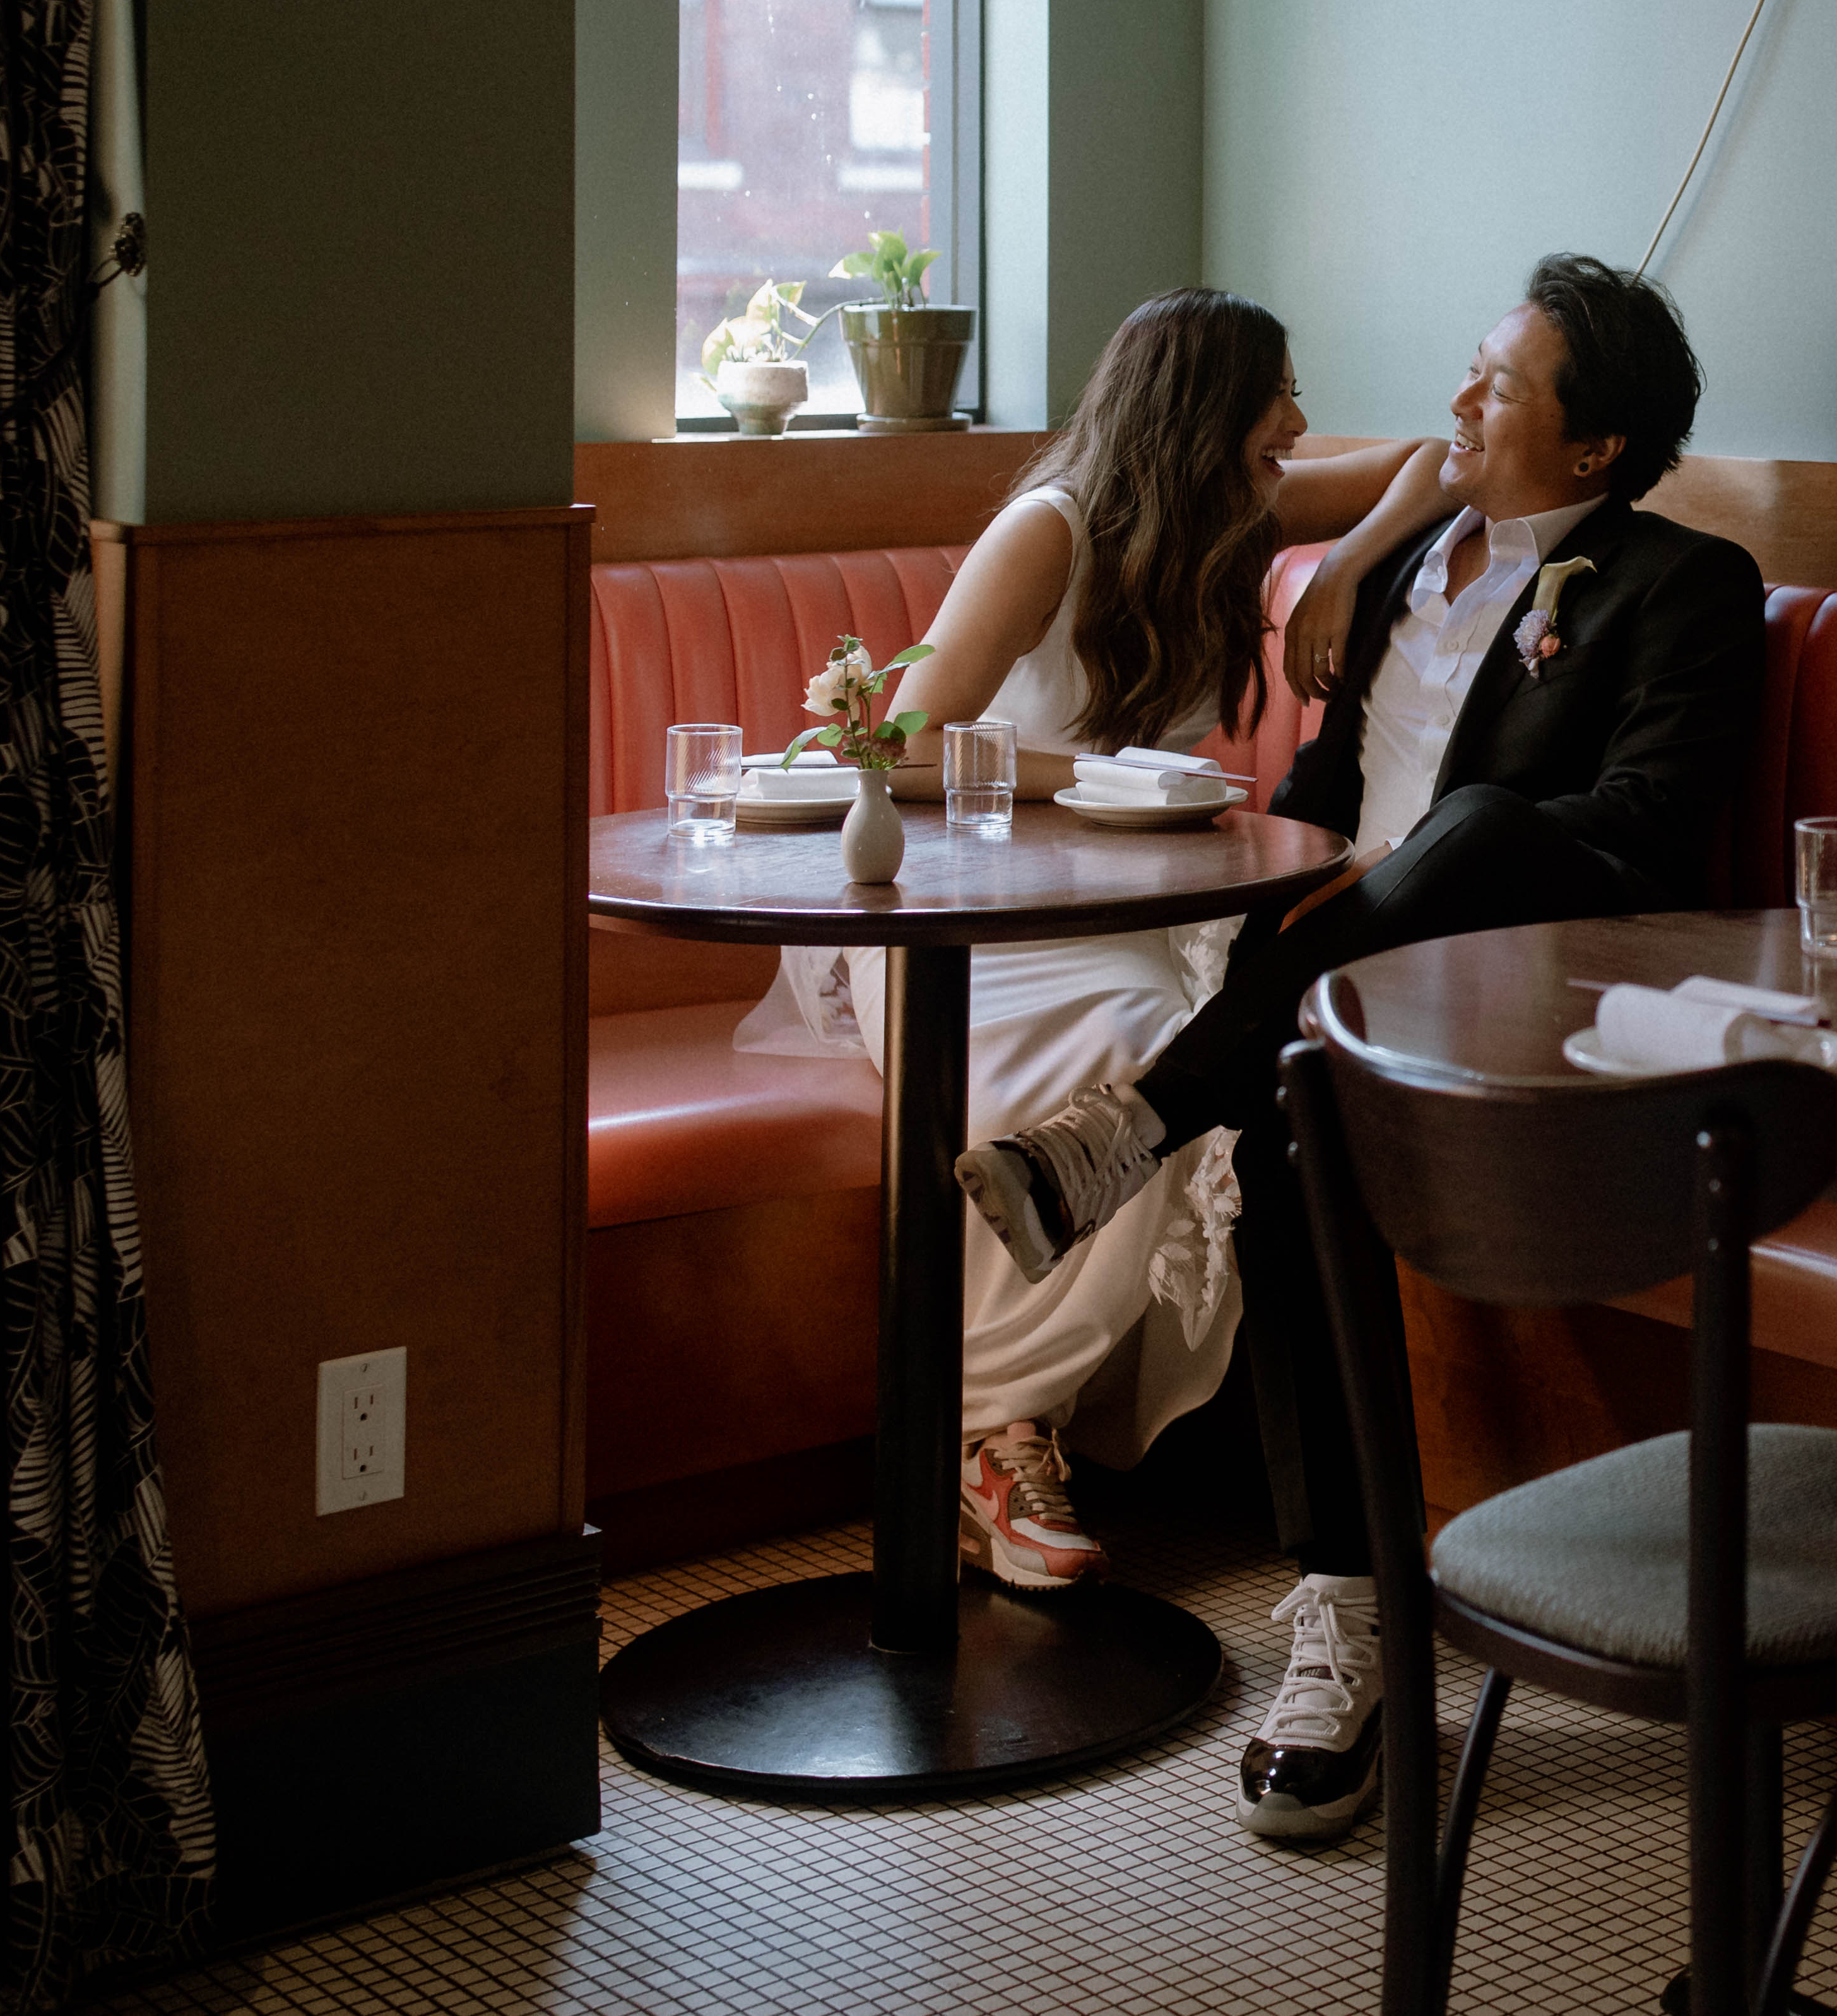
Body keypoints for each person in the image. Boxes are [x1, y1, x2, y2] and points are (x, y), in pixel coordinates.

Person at [952, 254, 1766, 1844]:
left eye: (1499, 386)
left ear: (1595, 449)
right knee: (1289, 1120)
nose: (1457, 401)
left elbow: (1656, 833)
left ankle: (1135, 1123)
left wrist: (1435, 859)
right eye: (1467, 370)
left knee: (1462, 833)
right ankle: (1350, 1609)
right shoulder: (1395, 575)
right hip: (1340, 1000)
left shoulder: (1685, 583)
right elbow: (1317, 804)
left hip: (1546, 977)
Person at [749, 290, 1441, 1599]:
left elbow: (1429, 465)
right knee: (1131, 1064)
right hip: (968, 911)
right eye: (1272, 397)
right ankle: (992, 1431)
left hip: (1136, 907)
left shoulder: (1230, 516)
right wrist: (1101, 776)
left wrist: (1344, 567)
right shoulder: (1047, 531)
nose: (1294, 424)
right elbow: (896, 748)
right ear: (1197, 414)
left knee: (1202, 1064)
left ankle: (1028, 1417)